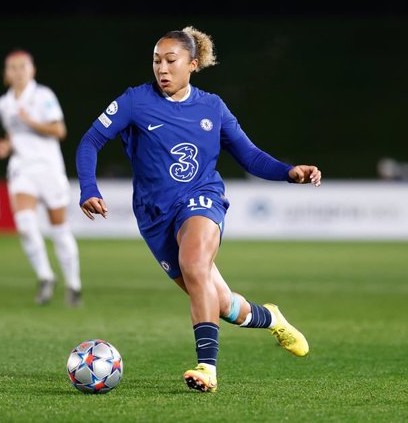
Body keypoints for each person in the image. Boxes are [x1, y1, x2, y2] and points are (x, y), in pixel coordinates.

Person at [76, 26, 322, 393]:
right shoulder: (134, 101)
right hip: (154, 216)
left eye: (171, 61)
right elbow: (91, 140)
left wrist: (289, 172)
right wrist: (88, 189)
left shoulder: (212, 108)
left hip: (201, 198)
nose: (162, 68)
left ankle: (207, 368)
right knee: (219, 303)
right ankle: (272, 318)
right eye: (157, 60)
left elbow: (249, 156)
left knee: (195, 264)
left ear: (192, 64)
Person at [0, 49, 82, 307]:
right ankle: (45, 276)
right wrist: (6, 146)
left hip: (49, 169)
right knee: (24, 225)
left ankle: (74, 283)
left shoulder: (43, 96)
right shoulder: (4, 103)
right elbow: (13, 133)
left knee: (59, 229)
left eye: (23, 66)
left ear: (32, 70)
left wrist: (31, 122)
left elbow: (59, 130)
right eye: (12, 67)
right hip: (22, 168)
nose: (18, 71)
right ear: (6, 73)